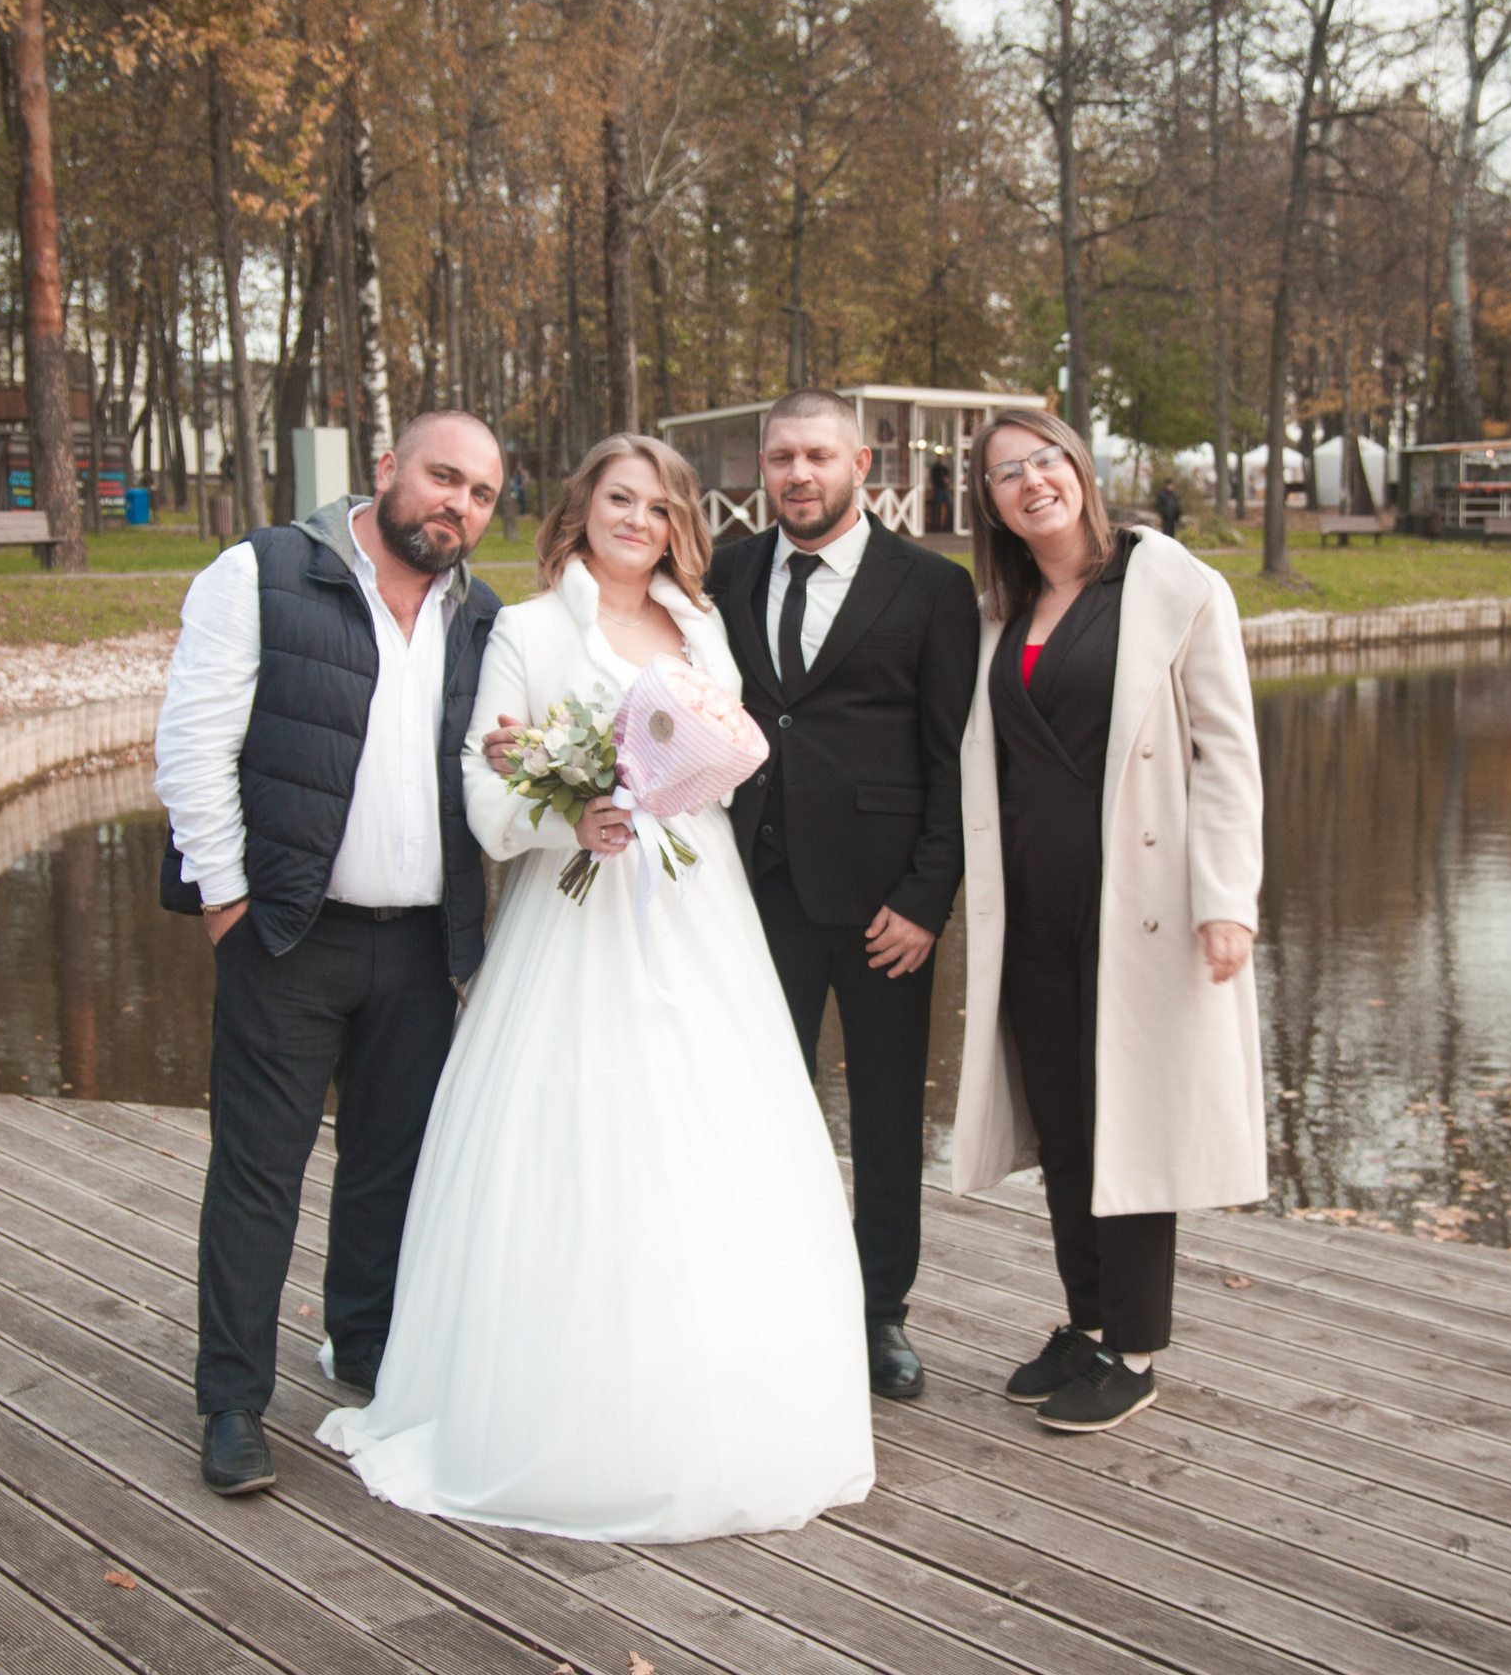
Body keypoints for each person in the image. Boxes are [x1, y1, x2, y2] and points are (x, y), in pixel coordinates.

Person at [323, 434, 874, 1543]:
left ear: (680, 526)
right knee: (574, 1144)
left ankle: (719, 1399)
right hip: (573, 919)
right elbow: (486, 795)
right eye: (620, 498)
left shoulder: (705, 629)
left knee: (714, 1146)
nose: (641, 520)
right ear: (583, 509)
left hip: (696, 913)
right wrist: (568, 812)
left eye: (662, 505)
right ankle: (556, 1408)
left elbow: (723, 767)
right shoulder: (525, 632)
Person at [154, 412, 505, 1497]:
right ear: (387, 469)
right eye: (444, 477)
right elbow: (192, 747)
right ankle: (232, 1402)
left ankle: (363, 1352)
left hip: (418, 949)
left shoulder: (482, 616)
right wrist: (228, 905)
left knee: (388, 1172)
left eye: (483, 494)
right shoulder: (259, 574)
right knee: (259, 1175)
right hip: (288, 934)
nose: (459, 504)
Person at [949, 409, 1265, 1434]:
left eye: (1044, 461)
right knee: (1065, 1121)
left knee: (1132, 1119)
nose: (1030, 482)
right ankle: (1085, 1322)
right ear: (989, 502)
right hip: (1032, 915)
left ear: (1078, 470)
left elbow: (1227, 756)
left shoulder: (1171, 586)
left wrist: (1225, 901)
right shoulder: (1003, 609)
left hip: (1142, 913)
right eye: (1005, 473)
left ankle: (1134, 1348)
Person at [703, 389, 978, 1399]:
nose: (797, 475)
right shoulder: (726, 575)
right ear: (762, 469)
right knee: (757, 1109)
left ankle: (879, 1315)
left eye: (817, 454)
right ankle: (771, 1297)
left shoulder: (928, 587)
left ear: (862, 462)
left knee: (886, 1118)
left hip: (882, 912)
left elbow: (954, 761)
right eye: (781, 458)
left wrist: (926, 899)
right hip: (752, 896)